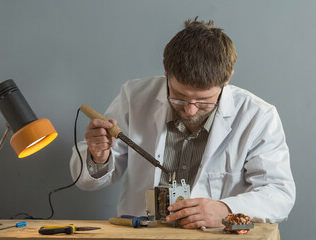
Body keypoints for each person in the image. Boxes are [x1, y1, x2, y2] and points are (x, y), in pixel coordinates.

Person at [70, 17, 295, 228]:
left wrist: (225, 209)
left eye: (204, 101)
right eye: (179, 96)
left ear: (227, 80)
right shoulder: (134, 97)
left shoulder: (258, 116)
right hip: (143, 232)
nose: (190, 109)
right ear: (166, 71)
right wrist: (98, 156)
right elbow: (87, 182)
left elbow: (279, 195)